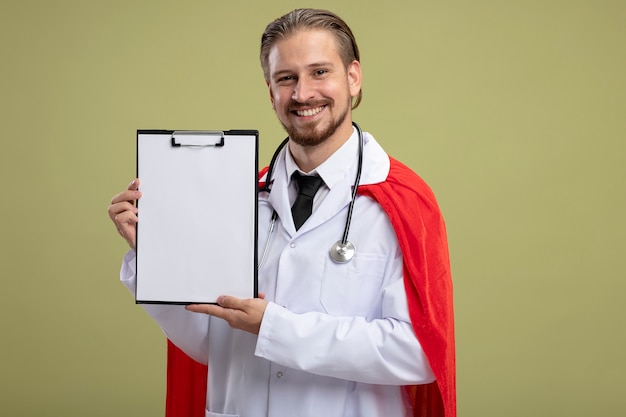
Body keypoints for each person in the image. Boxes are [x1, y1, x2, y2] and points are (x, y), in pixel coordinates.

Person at [108, 8, 455, 417]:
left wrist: (275, 327)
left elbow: (416, 352)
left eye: (320, 72)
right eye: (286, 78)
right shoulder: (235, 195)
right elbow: (209, 345)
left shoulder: (401, 201)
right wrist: (157, 258)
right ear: (270, 90)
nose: (303, 94)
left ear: (353, 77)